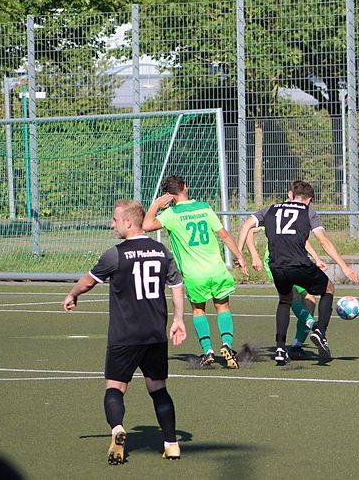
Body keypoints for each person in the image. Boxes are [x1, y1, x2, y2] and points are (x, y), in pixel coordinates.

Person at [62, 199, 187, 464]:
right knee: (158, 389)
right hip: (155, 334)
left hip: (125, 336)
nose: (112, 224)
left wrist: (72, 294)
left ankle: (117, 428)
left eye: (115, 220)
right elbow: (177, 285)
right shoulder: (162, 251)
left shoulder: (115, 255)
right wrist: (178, 319)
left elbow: (88, 282)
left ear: (128, 222)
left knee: (115, 388)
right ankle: (171, 443)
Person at [245, 180, 359, 364]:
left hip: (281, 264)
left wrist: (316, 258)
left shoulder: (275, 209)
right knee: (316, 291)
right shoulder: (300, 211)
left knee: (301, 300)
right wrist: (254, 256)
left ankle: (290, 347)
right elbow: (322, 240)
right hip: (287, 262)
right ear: (309, 199)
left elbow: (300, 239)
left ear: (293, 195)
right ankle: (317, 328)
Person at [144, 175, 249, 369]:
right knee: (223, 307)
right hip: (216, 269)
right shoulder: (203, 207)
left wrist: (156, 205)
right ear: (185, 187)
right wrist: (240, 257)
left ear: (169, 195)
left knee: (198, 310)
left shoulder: (171, 214)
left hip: (194, 274)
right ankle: (226, 344)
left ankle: (208, 351)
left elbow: (146, 226)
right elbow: (224, 235)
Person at [238, 218, 327, 360]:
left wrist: (316, 258)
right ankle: (314, 327)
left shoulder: (298, 214)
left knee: (310, 299)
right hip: (276, 262)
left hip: (296, 261)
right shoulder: (275, 214)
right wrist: (254, 256)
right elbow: (249, 230)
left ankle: (297, 346)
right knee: (292, 297)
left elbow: (303, 240)